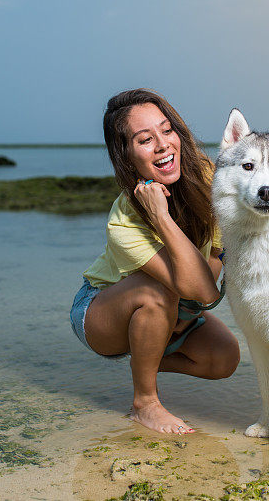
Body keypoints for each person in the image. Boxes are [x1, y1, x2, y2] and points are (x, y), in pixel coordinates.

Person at [69, 88, 240, 434]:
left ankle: (146, 350)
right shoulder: (124, 220)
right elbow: (199, 290)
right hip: (102, 312)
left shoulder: (210, 180)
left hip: (177, 307)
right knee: (156, 291)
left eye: (167, 130)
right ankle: (144, 403)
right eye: (145, 139)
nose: (163, 145)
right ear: (126, 155)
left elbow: (204, 288)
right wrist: (161, 218)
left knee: (224, 358)